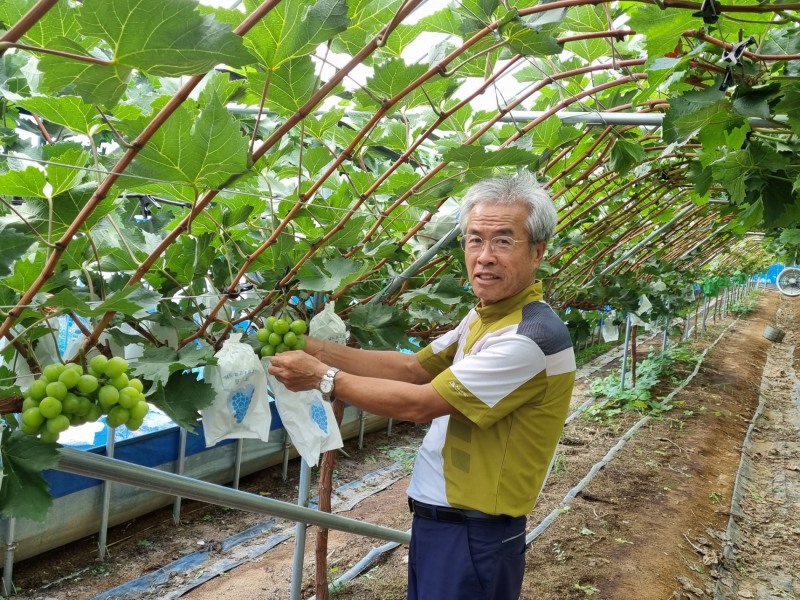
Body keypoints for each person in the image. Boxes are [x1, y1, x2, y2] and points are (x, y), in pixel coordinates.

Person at [268, 170, 576, 600]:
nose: (484, 256)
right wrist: (313, 347)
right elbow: (414, 368)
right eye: (474, 239)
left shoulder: (528, 339)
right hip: (447, 526)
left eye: (503, 241)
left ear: (538, 251)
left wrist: (322, 378)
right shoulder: (485, 317)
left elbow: (420, 402)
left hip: (473, 533)